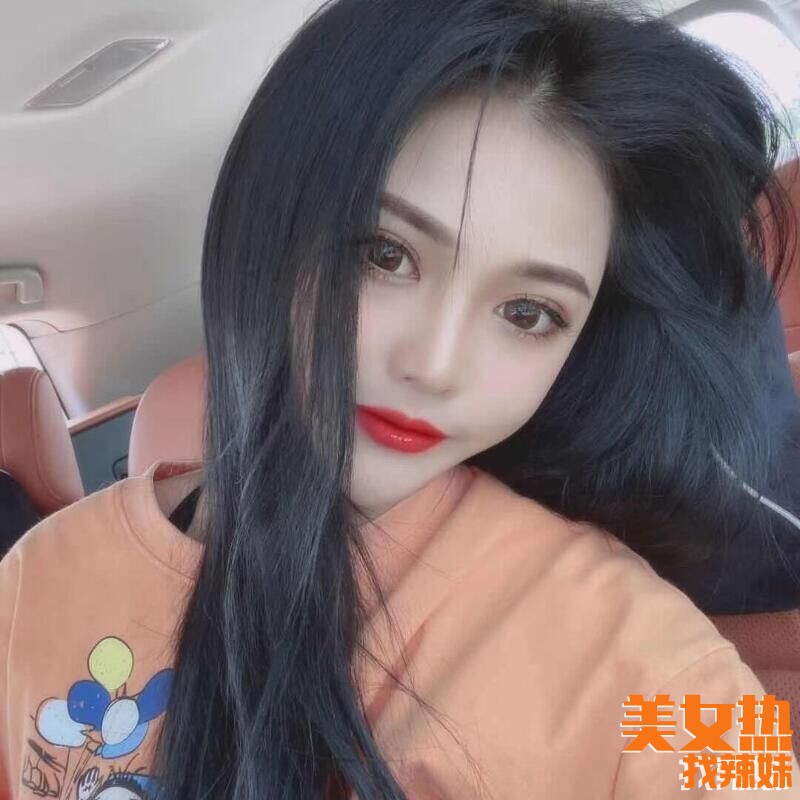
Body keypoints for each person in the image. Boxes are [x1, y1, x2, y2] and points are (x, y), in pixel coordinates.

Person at [1, 0, 799, 798]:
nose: (436, 365)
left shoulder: (646, 654)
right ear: (272, 226)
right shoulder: (38, 579)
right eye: (385, 255)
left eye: (529, 314)